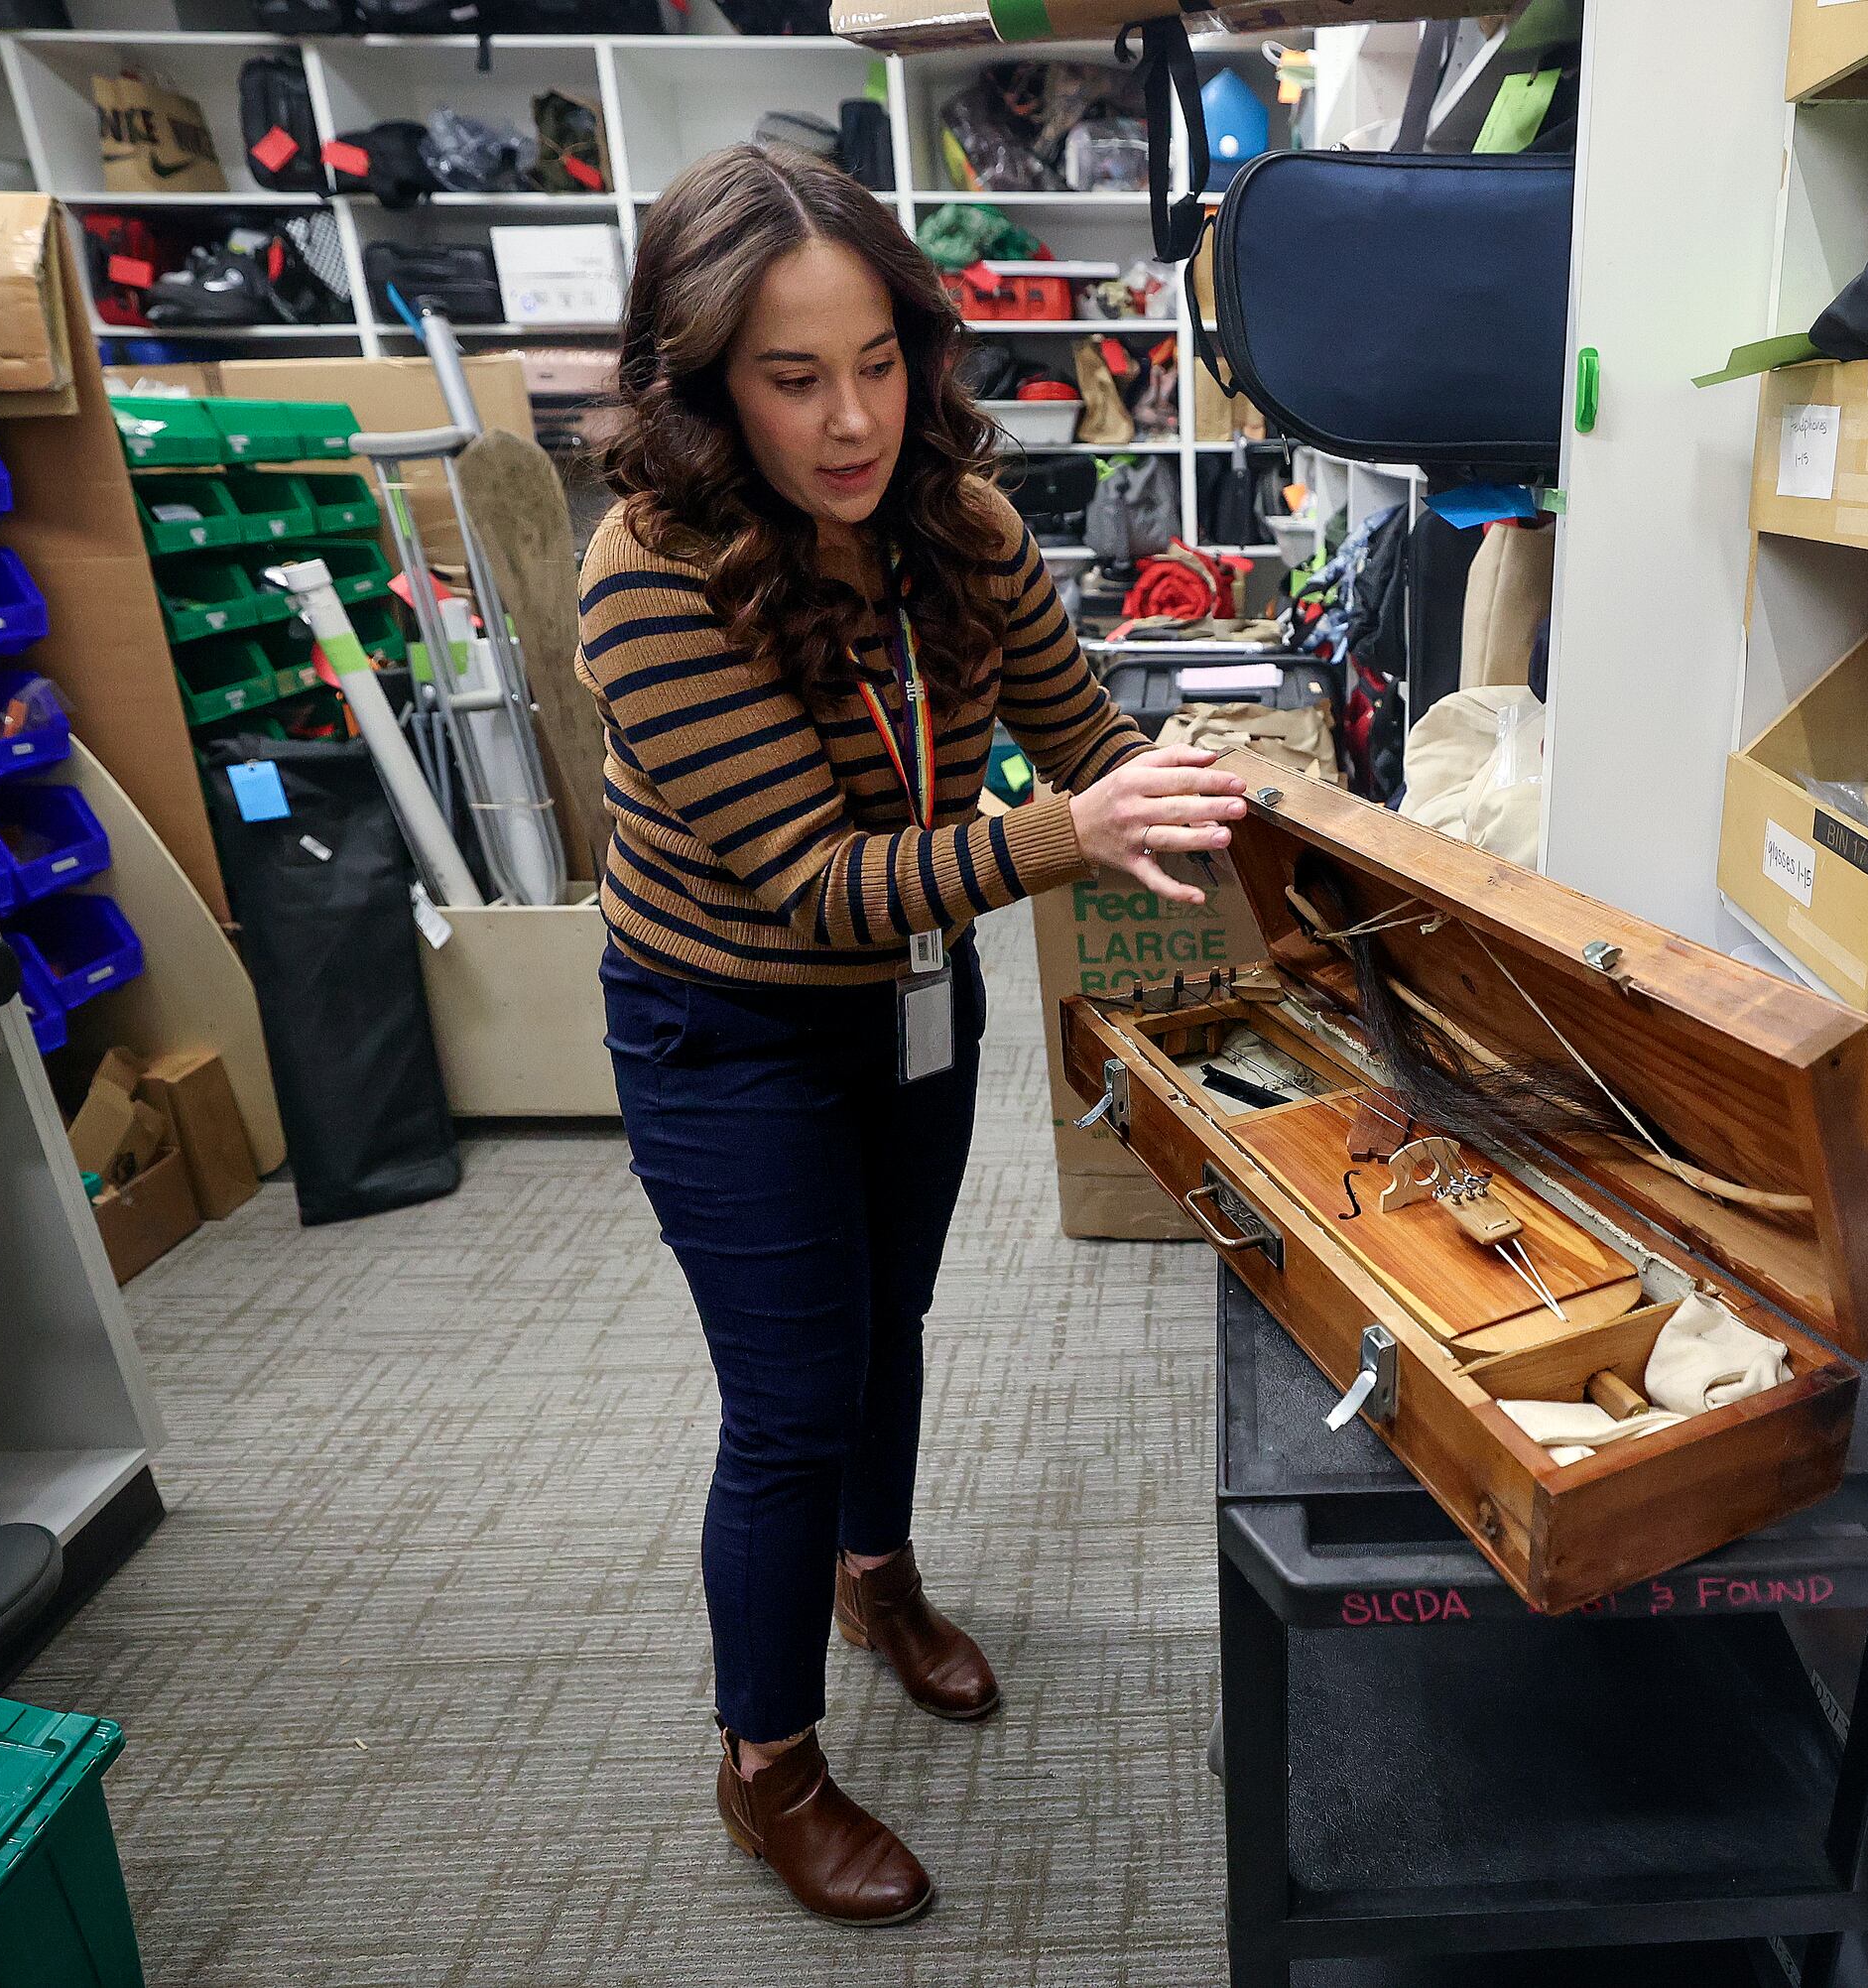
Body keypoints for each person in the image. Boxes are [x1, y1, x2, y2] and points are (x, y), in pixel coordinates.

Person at [578, 142, 1247, 1926]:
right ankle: (766, 1765)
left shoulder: (959, 524)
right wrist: (1064, 837)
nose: (852, 419)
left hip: (908, 1002)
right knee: (791, 1400)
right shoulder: (650, 573)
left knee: (898, 1317)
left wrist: (1213, 802)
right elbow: (811, 879)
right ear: (708, 381)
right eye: (795, 380)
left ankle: (878, 1578)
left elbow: (1079, 726)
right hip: (726, 1020)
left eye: (878, 362)